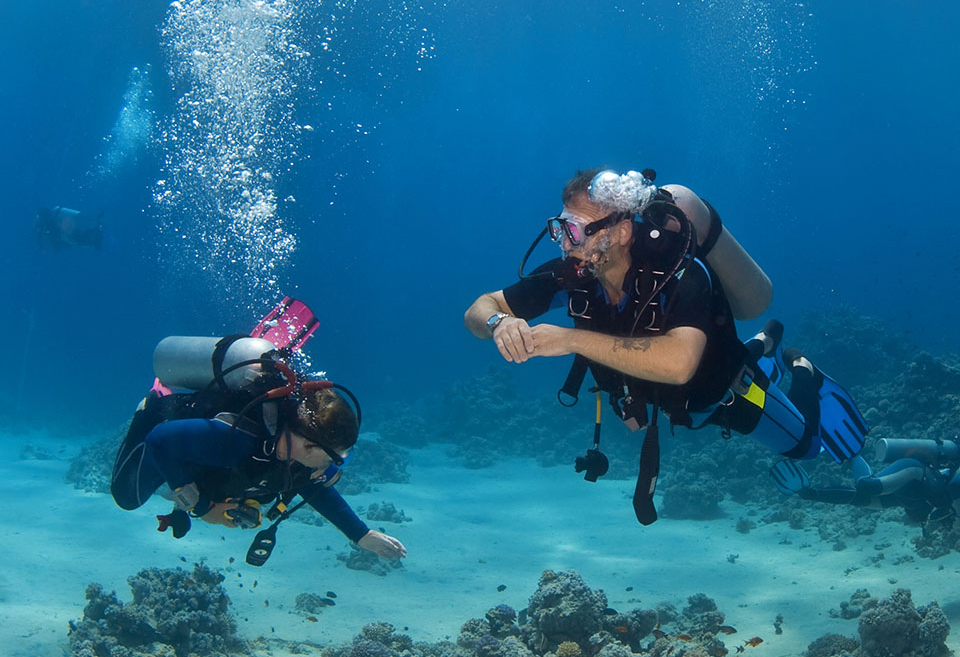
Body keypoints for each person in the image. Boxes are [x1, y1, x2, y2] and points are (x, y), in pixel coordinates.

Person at [464, 167, 868, 524]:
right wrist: (499, 322)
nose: (564, 245)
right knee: (748, 365)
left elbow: (679, 364)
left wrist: (568, 339)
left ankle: (801, 370)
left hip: (725, 394)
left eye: (573, 231)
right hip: (666, 403)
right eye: (559, 229)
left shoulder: (679, 273)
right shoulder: (575, 272)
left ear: (621, 231)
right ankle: (764, 344)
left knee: (806, 447)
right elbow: (479, 308)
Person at [110, 332, 406, 564]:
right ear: (306, 444)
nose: (337, 463)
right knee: (126, 496)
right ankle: (151, 401)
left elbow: (312, 488)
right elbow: (160, 440)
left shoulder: (299, 456)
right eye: (336, 456)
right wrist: (201, 507)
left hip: (211, 461)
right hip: (167, 426)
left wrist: (360, 534)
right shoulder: (237, 440)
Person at [771, 438, 960, 525]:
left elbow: (856, 499)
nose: (911, 519)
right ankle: (851, 448)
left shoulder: (903, 501)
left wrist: (814, 494)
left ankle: (842, 448)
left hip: (914, 476)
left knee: (864, 492)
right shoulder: (944, 494)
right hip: (914, 470)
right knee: (867, 486)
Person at [34, 206, 103, 249]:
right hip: (63, 238)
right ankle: (94, 240)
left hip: (67, 234)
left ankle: (94, 239)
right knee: (79, 240)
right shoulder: (42, 223)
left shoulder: (57, 211)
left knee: (80, 240)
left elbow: (78, 214)